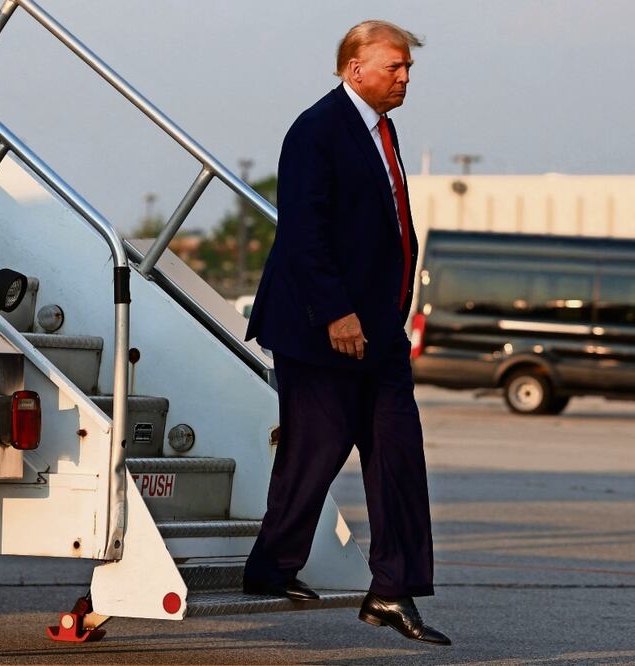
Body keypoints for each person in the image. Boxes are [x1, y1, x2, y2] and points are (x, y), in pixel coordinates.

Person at [242, 20, 450, 646]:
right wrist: (336, 313)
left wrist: (389, 313)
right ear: (354, 68)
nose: (405, 78)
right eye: (395, 66)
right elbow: (303, 230)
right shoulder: (317, 130)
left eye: (409, 68)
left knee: (399, 457)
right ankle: (271, 568)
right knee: (315, 452)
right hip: (318, 329)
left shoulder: (382, 131)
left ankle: (392, 591)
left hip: (380, 332)